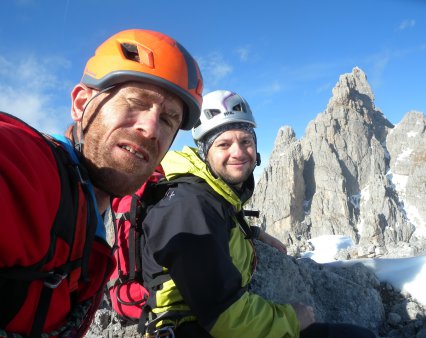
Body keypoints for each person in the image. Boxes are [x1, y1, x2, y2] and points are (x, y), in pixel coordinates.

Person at [0, 29, 203, 337]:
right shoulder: (33, 171)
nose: (150, 128)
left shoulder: (97, 205)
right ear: (82, 103)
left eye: (167, 119)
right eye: (136, 102)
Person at [141, 90, 376, 337]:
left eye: (246, 141)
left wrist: (250, 232)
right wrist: (294, 318)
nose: (238, 152)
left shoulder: (212, 194)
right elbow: (225, 318)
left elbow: (214, 232)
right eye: (223, 144)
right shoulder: (188, 206)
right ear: (204, 152)